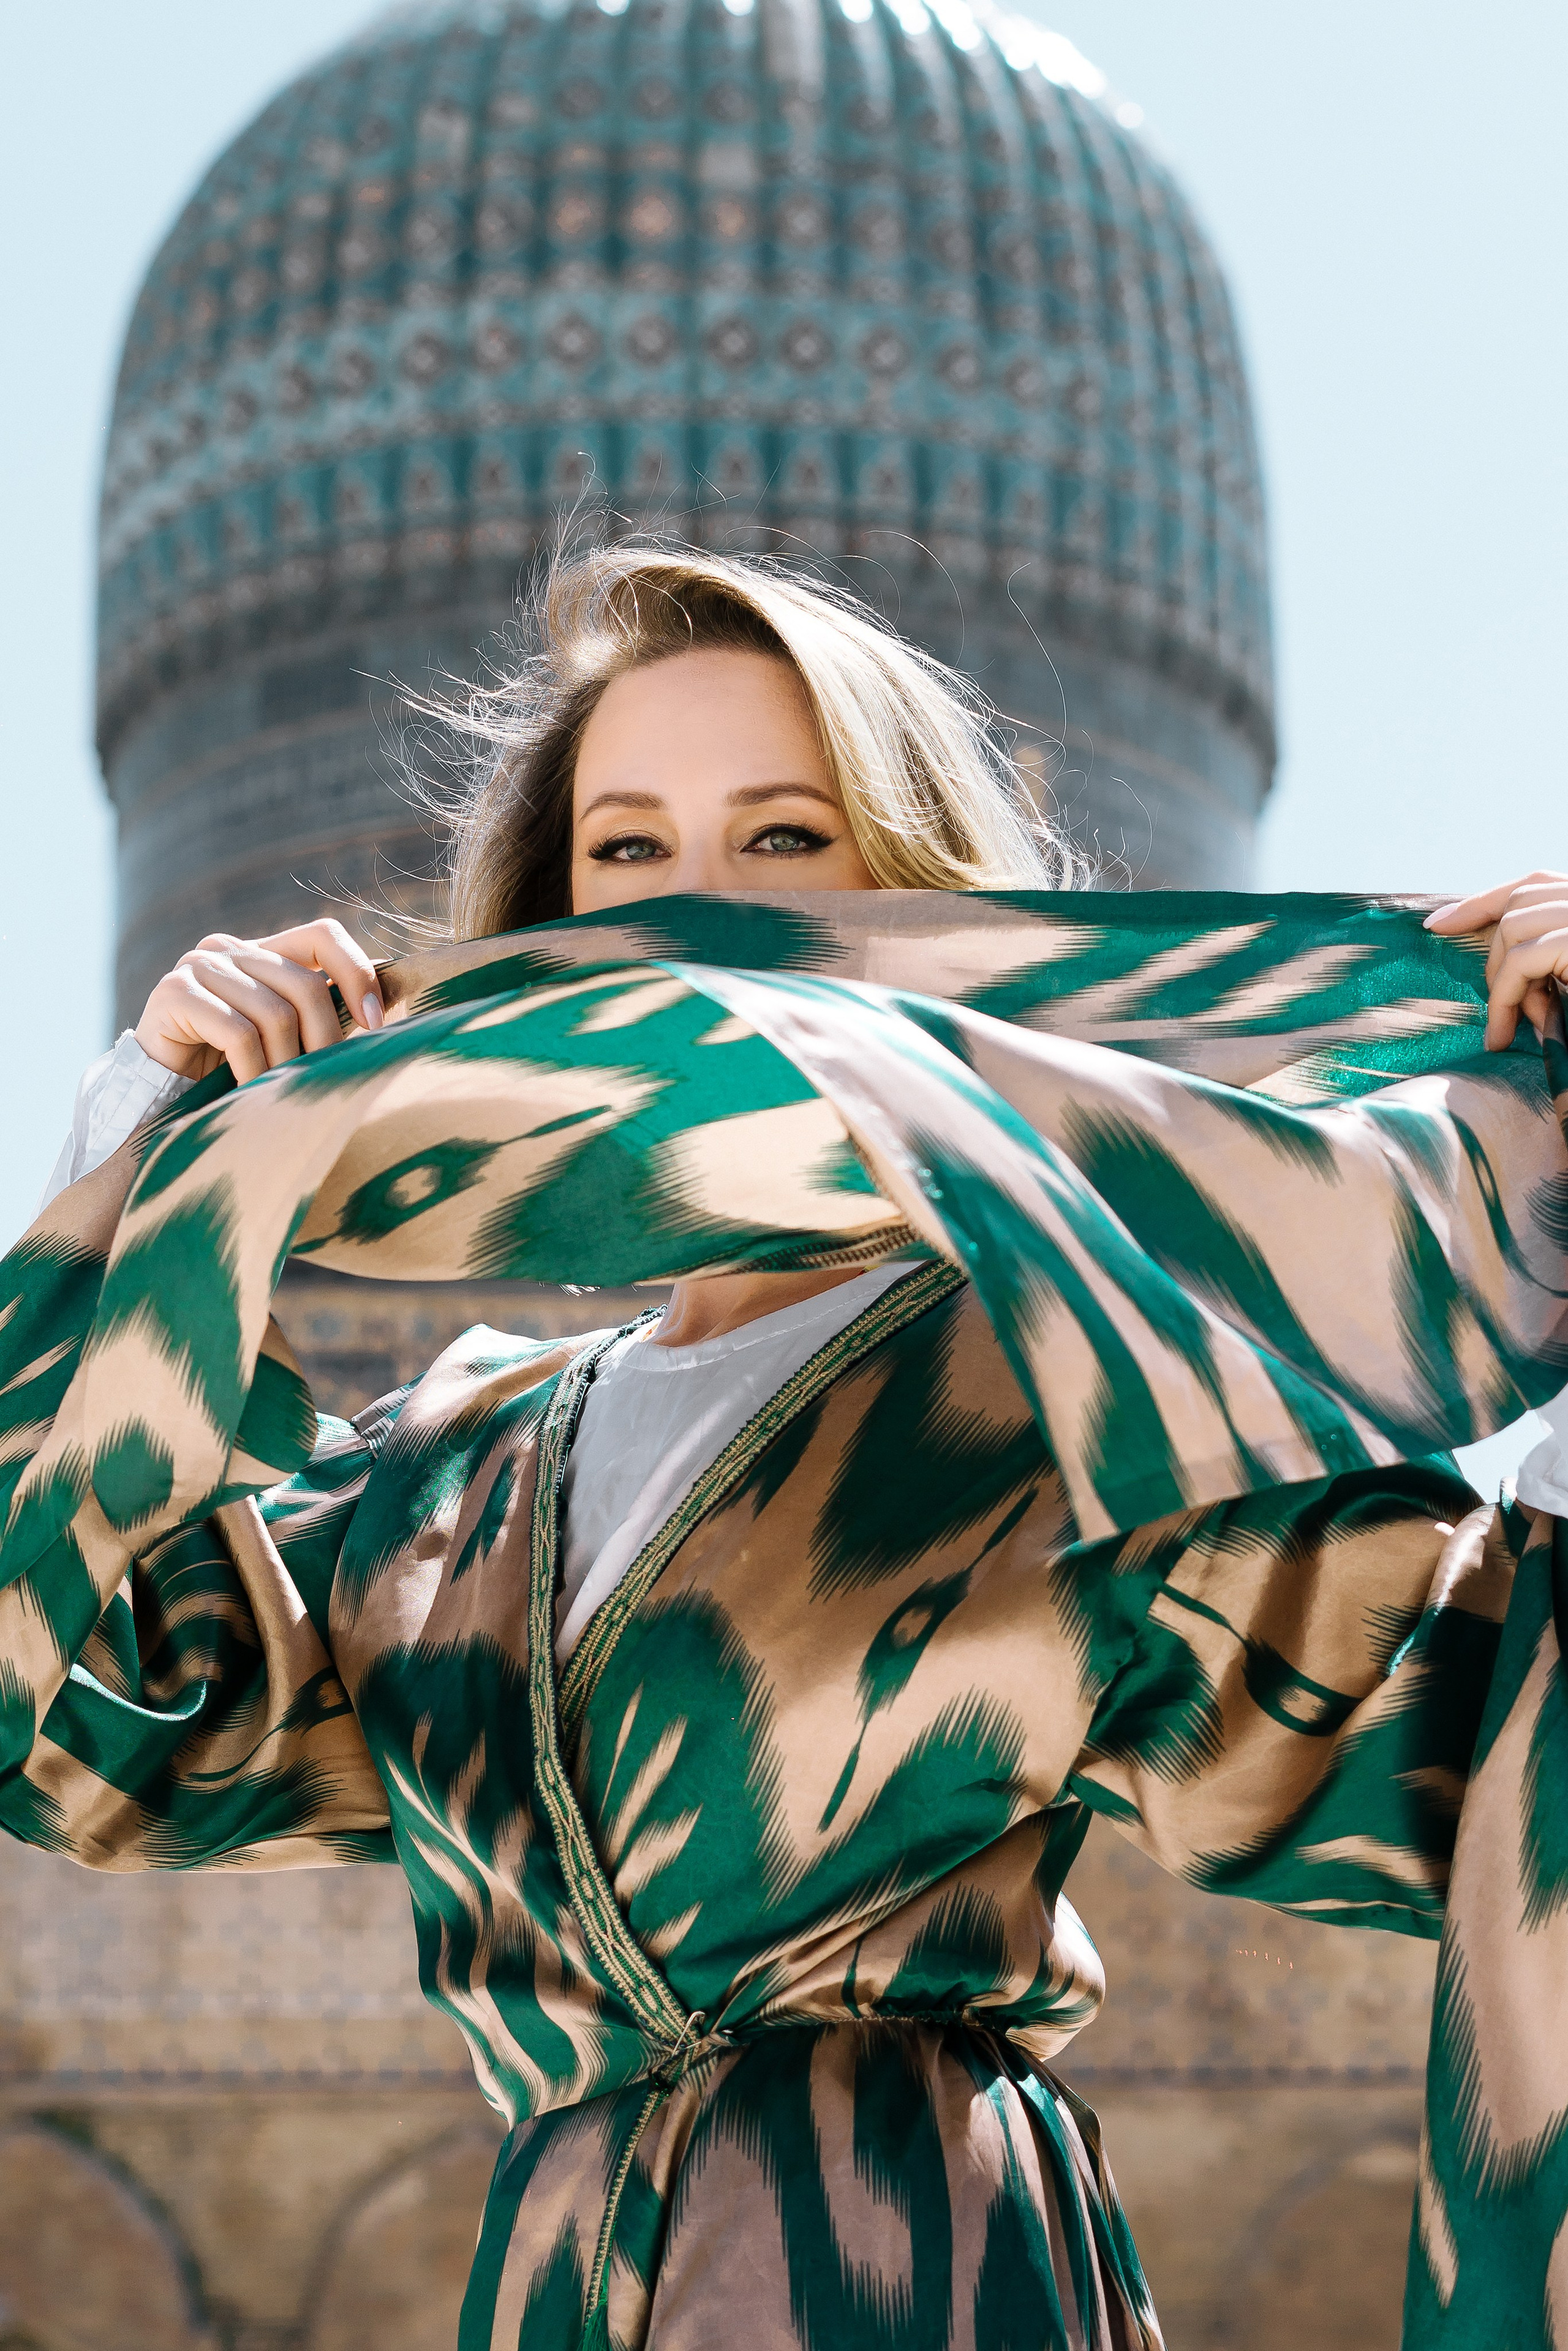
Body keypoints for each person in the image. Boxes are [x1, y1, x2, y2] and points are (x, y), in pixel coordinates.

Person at [7, 545, 1568, 2351]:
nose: (691, 913)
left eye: (781, 843)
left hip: (919, 2274)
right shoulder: (454, 1463)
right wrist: (144, 1166)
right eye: (624, 853)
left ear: (908, 904)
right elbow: (88, 1715)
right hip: (567, 2289)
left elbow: (1494, 1751)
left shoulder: (1069, 1385)